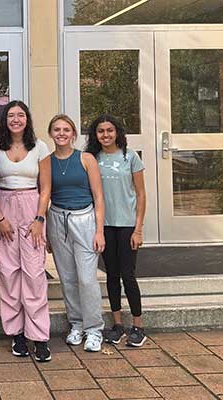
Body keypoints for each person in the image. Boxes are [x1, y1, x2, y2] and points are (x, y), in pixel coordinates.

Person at [0, 100, 52, 361]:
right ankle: (17, 334)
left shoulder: (40, 147)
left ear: (27, 119)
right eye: (11, 115)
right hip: (3, 208)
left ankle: (39, 336)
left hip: (31, 206)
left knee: (34, 273)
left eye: (20, 115)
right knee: (9, 272)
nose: (15, 119)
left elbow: (45, 187)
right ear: (4, 119)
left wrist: (40, 218)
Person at [85, 114, 147, 347]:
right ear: (95, 135)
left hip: (127, 225)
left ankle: (138, 326)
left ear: (118, 132)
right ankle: (118, 324)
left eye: (110, 130)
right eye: (101, 131)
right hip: (104, 225)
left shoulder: (130, 157)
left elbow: (141, 194)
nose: (106, 135)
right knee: (111, 275)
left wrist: (138, 229)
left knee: (128, 274)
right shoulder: (92, 158)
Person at [46, 114, 105, 352]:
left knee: (87, 278)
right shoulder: (46, 162)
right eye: (57, 129)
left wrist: (99, 230)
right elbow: (45, 196)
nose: (61, 133)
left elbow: (99, 196)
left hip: (85, 219)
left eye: (66, 130)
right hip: (58, 220)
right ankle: (77, 324)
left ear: (73, 134)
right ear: (50, 133)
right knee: (68, 278)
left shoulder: (86, 159)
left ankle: (94, 329)